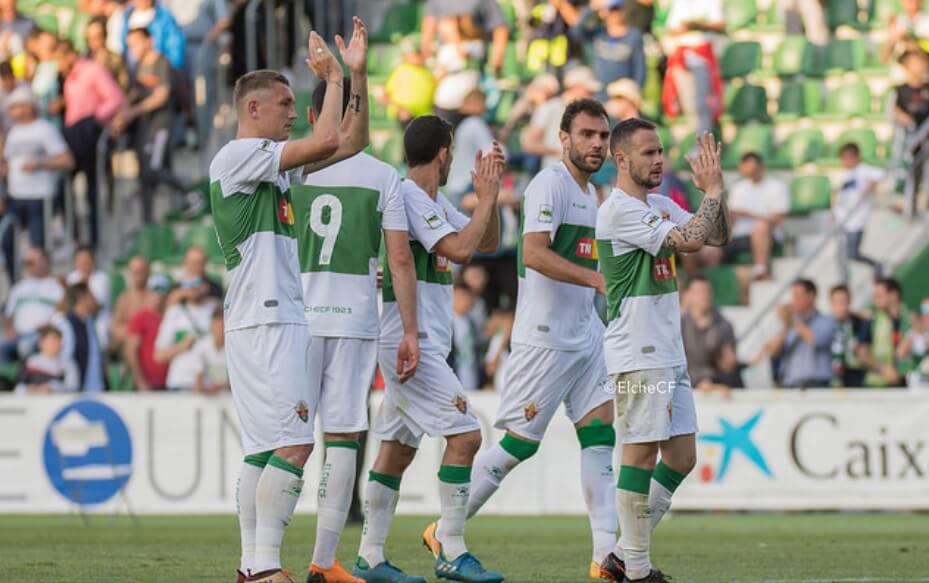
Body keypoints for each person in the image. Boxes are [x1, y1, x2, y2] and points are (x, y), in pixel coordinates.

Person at [209, 24, 357, 583]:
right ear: (253, 107)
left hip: (260, 316)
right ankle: (267, 566)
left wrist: (355, 78)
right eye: (285, 103)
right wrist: (336, 78)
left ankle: (253, 566)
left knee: (262, 448)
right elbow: (324, 142)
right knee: (295, 442)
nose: (293, 112)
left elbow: (345, 143)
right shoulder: (240, 154)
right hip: (269, 316)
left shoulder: (263, 164)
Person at [462, 99, 617, 580]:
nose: (596, 144)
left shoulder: (592, 194)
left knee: (601, 435)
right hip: (546, 338)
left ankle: (606, 556)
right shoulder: (549, 184)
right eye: (587, 134)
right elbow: (532, 255)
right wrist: (595, 281)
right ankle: (447, 527)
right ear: (564, 138)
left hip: (585, 335)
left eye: (603, 136)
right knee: (519, 447)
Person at [355, 115, 504, 583]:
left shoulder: (433, 201)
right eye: (453, 152)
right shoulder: (410, 198)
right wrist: (483, 200)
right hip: (409, 343)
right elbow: (461, 250)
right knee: (466, 435)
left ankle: (370, 557)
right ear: (444, 154)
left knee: (396, 452)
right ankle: (451, 547)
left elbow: (490, 239)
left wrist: (490, 199)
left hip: (418, 342)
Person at [295, 31, 420, 580]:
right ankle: (324, 561)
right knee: (343, 438)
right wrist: (410, 331)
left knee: (280, 441)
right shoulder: (381, 175)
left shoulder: (284, 168)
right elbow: (399, 261)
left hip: (293, 318)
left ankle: (258, 561)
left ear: (305, 113)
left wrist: (344, 79)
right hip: (353, 319)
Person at [596, 124, 731, 583]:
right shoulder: (618, 211)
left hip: (667, 350)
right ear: (621, 159)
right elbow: (690, 239)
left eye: (660, 151)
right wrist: (710, 194)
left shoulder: (655, 204)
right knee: (639, 454)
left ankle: (619, 555)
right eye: (648, 152)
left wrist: (716, 192)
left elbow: (714, 236)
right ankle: (634, 569)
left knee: (681, 457)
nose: (659, 160)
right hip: (639, 350)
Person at [112, 27, 188, 223]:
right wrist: (123, 113)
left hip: (160, 124)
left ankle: (189, 192)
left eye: (136, 43)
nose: (133, 49)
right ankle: (148, 222)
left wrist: (133, 112)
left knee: (154, 168)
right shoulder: (137, 66)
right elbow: (134, 94)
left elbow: (161, 96)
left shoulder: (161, 62)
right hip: (144, 127)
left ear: (148, 41)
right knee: (144, 175)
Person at [56, 39, 124, 249]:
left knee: (91, 190)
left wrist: (96, 120)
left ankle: (94, 240)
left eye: (59, 60)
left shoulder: (93, 70)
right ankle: (75, 238)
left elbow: (115, 97)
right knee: (61, 188)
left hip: (88, 131)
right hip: (71, 133)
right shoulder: (69, 78)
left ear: (69, 55)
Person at [0, 87, 74, 254]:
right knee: (7, 240)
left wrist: (40, 163)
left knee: (38, 246)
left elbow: (67, 160)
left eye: (16, 106)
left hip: (39, 196)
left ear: (28, 107)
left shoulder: (45, 129)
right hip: (16, 196)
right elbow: (8, 165)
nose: (12, 111)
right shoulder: (13, 133)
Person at [662, 0, 725, 135]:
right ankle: (696, 139)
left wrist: (699, 25)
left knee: (702, 104)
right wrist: (686, 27)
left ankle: (705, 140)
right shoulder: (679, 3)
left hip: (702, 56)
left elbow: (720, 25)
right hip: (682, 56)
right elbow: (671, 29)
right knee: (689, 105)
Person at [723, 153, 789, 280]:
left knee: (759, 227)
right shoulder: (738, 188)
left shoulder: (776, 187)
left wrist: (749, 214)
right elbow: (732, 215)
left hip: (768, 235)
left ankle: (761, 269)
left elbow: (778, 218)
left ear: (761, 167)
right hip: (738, 235)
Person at [557, 0, 646, 94]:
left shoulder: (634, 36)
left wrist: (634, 92)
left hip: (621, 94)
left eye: (617, 9)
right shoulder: (599, 33)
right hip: (598, 93)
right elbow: (576, 31)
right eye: (611, 10)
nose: (615, 13)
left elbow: (640, 69)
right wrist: (591, 8)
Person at [521, 67, 602, 169]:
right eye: (588, 91)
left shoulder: (586, 112)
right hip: (555, 174)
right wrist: (561, 152)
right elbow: (529, 144)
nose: (591, 95)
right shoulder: (550, 108)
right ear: (576, 87)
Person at [763, 279, 838, 388]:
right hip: (789, 385)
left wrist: (792, 321)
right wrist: (786, 326)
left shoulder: (826, 321)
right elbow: (774, 351)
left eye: (797, 296)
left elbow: (817, 341)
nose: (793, 301)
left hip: (817, 385)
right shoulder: (789, 324)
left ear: (811, 296)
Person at [0, 247, 65, 364]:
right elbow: (9, 316)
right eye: (26, 262)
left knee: (25, 347)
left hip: (42, 336)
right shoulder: (18, 288)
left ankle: (28, 379)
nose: (28, 265)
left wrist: (47, 328)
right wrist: (9, 332)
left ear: (45, 260)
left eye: (31, 262)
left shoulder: (57, 287)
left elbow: (61, 312)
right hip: (18, 336)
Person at [153, 276, 218, 390]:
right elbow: (158, 355)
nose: (191, 287)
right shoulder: (174, 312)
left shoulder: (215, 309)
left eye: (195, 283)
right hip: (181, 381)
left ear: (206, 287)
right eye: (186, 284)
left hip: (210, 384)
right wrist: (182, 346)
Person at [681, 276, 741, 395]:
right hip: (687, 384)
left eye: (707, 291)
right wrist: (698, 381)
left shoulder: (724, 325)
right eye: (699, 292)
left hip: (719, 383)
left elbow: (728, 364)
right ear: (688, 295)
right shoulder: (679, 326)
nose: (704, 296)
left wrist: (728, 363)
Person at [421, 0, 509, 78]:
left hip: (477, 72)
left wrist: (497, 59)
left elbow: (500, 29)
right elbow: (429, 23)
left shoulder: (475, 47)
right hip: (448, 69)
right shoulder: (447, 52)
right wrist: (425, 55)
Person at [834, 143, 883, 271]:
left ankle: (876, 266)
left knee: (852, 253)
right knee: (842, 254)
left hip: (856, 219)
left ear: (855, 157)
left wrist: (871, 185)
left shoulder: (863, 169)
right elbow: (840, 196)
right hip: (843, 218)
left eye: (847, 158)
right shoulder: (844, 174)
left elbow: (880, 174)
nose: (845, 161)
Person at [52, 283, 106, 392]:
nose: (94, 299)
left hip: (94, 390)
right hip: (74, 392)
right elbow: (64, 359)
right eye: (91, 295)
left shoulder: (89, 322)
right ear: (81, 298)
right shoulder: (65, 324)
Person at [858, 278, 911, 388]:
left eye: (879, 296)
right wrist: (883, 369)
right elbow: (862, 354)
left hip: (906, 385)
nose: (874, 300)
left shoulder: (910, 320)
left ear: (893, 295)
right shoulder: (871, 319)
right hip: (875, 386)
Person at [447, 89, 495, 203]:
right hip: (470, 188)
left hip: (454, 188)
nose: (485, 109)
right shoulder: (474, 123)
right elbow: (492, 154)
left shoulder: (453, 124)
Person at [124, 274, 171, 391]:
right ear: (148, 292)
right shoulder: (140, 317)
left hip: (168, 384)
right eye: (155, 290)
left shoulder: (170, 318)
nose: (158, 295)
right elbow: (131, 351)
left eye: (162, 290)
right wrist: (141, 381)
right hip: (147, 385)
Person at [66, 245, 112, 347]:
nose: (83, 264)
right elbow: (69, 305)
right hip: (76, 319)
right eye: (80, 260)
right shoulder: (71, 278)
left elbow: (94, 307)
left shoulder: (102, 278)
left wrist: (84, 282)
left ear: (93, 261)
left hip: (99, 320)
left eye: (86, 260)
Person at [121, 0, 186, 70]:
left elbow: (175, 44)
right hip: (133, 66)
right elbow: (123, 42)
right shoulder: (128, 14)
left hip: (156, 66)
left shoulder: (163, 16)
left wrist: (172, 68)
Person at [14, 325, 79, 394]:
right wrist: (30, 389)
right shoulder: (30, 362)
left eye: (57, 341)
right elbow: (18, 388)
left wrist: (53, 388)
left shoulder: (68, 364)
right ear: (41, 343)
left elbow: (73, 387)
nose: (54, 344)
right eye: (51, 341)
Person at [110, 256, 158, 347]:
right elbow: (115, 327)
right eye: (134, 271)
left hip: (152, 344)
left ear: (148, 272)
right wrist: (132, 333)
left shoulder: (156, 297)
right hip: (131, 344)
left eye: (140, 271)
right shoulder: (124, 298)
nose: (137, 274)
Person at [828, 284, 868, 388]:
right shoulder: (825, 324)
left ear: (850, 302)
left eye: (844, 301)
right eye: (837, 302)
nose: (841, 306)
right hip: (831, 376)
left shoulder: (859, 323)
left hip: (855, 374)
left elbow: (870, 316)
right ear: (831, 303)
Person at [86, 16, 131, 92]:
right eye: (90, 38)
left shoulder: (116, 58)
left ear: (105, 36)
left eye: (98, 37)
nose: (94, 42)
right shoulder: (84, 60)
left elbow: (124, 84)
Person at [191, 309, 229, 394]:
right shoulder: (201, 346)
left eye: (222, 327)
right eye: (216, 326)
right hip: (207, 397)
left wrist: (220, 387)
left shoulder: (233, 348)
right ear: (211, 326)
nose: (219, 331)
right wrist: (201, 387)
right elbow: (198, 377)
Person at [898, 297, 929, 388]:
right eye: (925, 310)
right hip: (918, 383)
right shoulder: (914, 332)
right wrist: (916, 333)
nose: (927, 315)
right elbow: (900, 354)